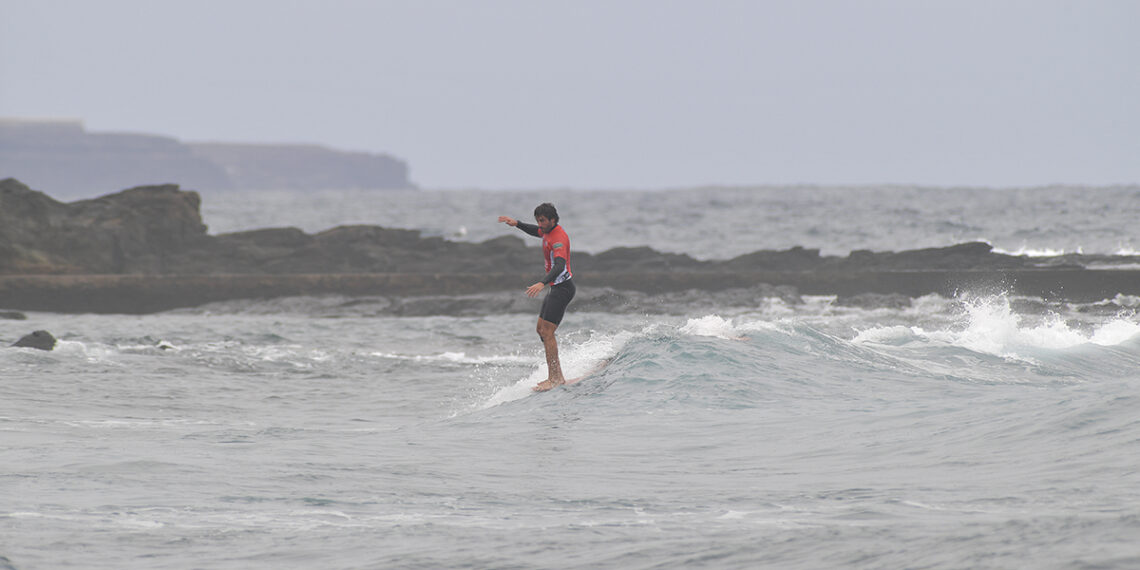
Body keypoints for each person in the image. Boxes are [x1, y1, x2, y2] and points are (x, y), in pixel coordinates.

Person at [498, 203, 575, 391]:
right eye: (538, 221)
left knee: (548, 332)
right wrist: (517, 224)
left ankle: (555, 379)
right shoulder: (547, 230)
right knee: (541, 330)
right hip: (555, 288)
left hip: (562, 289)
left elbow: (559, 265)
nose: (539, 224)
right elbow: (536, 232)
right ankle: (557, 376)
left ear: (553, 220)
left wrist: (542, 283)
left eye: (542, 221)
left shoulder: (559, 239)